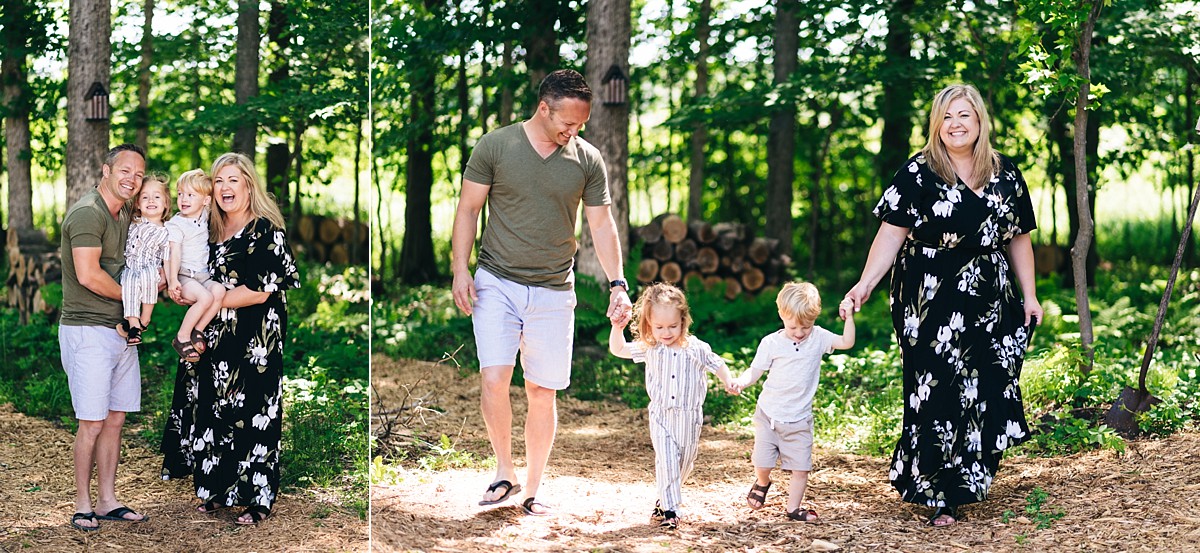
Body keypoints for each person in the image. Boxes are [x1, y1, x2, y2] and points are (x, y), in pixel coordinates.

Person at [840, 84, 1043, 527]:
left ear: (979, 122)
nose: (956, 124)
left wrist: (1029, 294)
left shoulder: (1005, 173)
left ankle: (972, 476)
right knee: (935, 388)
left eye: (964, 116)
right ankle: (939, 490)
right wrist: (865, 284)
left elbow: (1019, 237)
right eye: (947, 116)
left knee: (987, 383)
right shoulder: (918, 173)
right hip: (926, 294)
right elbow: (891, 235)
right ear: (937, 124)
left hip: (989, 294)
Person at [451, 68, 633, 516]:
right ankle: (503, 471)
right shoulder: (496, 145)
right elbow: (469, 208)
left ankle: (533, 488)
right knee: (494, 378)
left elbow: (601, 224)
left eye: (580, 126)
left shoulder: (587, 159)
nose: (573, 132)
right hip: (496, 280)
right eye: (566, 123)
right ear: (543, 108)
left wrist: (618, 282)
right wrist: (460, 269)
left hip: (554, 289)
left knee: (541, 391)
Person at [160, 152, 300, 525]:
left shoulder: (265, 230)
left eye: (233, 180)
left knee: (255, 414)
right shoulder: (207, 228)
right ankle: (215, 490)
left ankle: (257, 498)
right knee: (212, 410)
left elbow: (261, 290)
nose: (224, 188)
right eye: (219, 181)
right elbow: (194, 274)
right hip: (214, 338)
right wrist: (181, 289)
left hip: (255, 341)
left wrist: (218, 299)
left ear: (249, 185)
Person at [60, 143, 151, 531]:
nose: (132, 179)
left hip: (121, 331)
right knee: (92, 423)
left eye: (139, 174)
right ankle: (82, 503)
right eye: (125, 171)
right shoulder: (87, 213)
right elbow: (89, 276)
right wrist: (141, 295)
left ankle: (107, 500)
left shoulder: (125, 214)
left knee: (114, 419)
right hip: (87, 332)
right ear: (105, 170)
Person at [609, 283, 737, 529]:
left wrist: (728, 381)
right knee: (666, 460)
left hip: (689, 417)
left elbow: (717, 363)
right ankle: (671, 511)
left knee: (684, 463)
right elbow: (619, 349)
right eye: (658, 327)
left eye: (672, 326)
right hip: (661, 415)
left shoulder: (696, 348)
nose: (666, 332)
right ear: (649, 325)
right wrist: (617, 328)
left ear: (683, 321)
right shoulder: (651, 347)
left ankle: (664, 499)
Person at [732, 281, 855, 522]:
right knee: (762, 462)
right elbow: (754, 371)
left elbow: (846, 342)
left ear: (814, 319)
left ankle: (792, 508)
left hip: (799, 419)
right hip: (769, 415)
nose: (799, 333)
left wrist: (848, 317)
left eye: (805, 327)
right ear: (781, 315)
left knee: (801, 468)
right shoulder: (771, 343)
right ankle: (762, 481)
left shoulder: (819, 338)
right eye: (793, 327)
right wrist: (741, 382)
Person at [164, 169, 226, 362]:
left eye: (191, 195)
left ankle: (197, 329)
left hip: (203, 275)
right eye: (181, 193)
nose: (183, 199)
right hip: (185, 276)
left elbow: (217, 201)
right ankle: (182, 337)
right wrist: (173, 281)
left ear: (205, 201)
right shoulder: (176, 224)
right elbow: (174, 253)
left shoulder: (204, 215)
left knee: (220, 291)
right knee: (205, 298)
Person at [115, 172, 171, 345]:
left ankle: (144, 319)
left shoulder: (166, 231)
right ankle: (133, 325)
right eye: (145, 197)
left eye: (156, 197)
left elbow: (168, 257)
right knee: (129, 283)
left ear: (166, 203)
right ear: (138, 203)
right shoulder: (134, 221)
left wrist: (170, 278)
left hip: (149, 268)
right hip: (131, 266)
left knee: (148, 277)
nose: (151, 201)